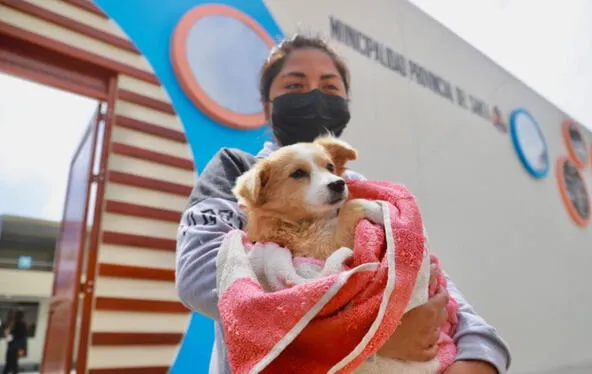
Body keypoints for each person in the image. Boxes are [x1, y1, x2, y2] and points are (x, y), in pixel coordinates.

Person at [176, 34, 511, 374]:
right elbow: (200, 276)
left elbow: (431, 280)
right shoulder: (239, 172)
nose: (314, 96)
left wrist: (478, 357)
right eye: (294, 85)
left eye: (330, 87)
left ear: (346, 103)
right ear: (267, 106)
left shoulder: (368, 195)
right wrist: (367, 336)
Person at [2, 310, 27, 374]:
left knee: (9, 364)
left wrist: (7, 333)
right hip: (18, 349)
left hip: (12, 349)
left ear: (16, 316)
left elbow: (11, 337)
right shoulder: (23, 325)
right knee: (14, 364)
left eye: (14, 315)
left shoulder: (17, 325)